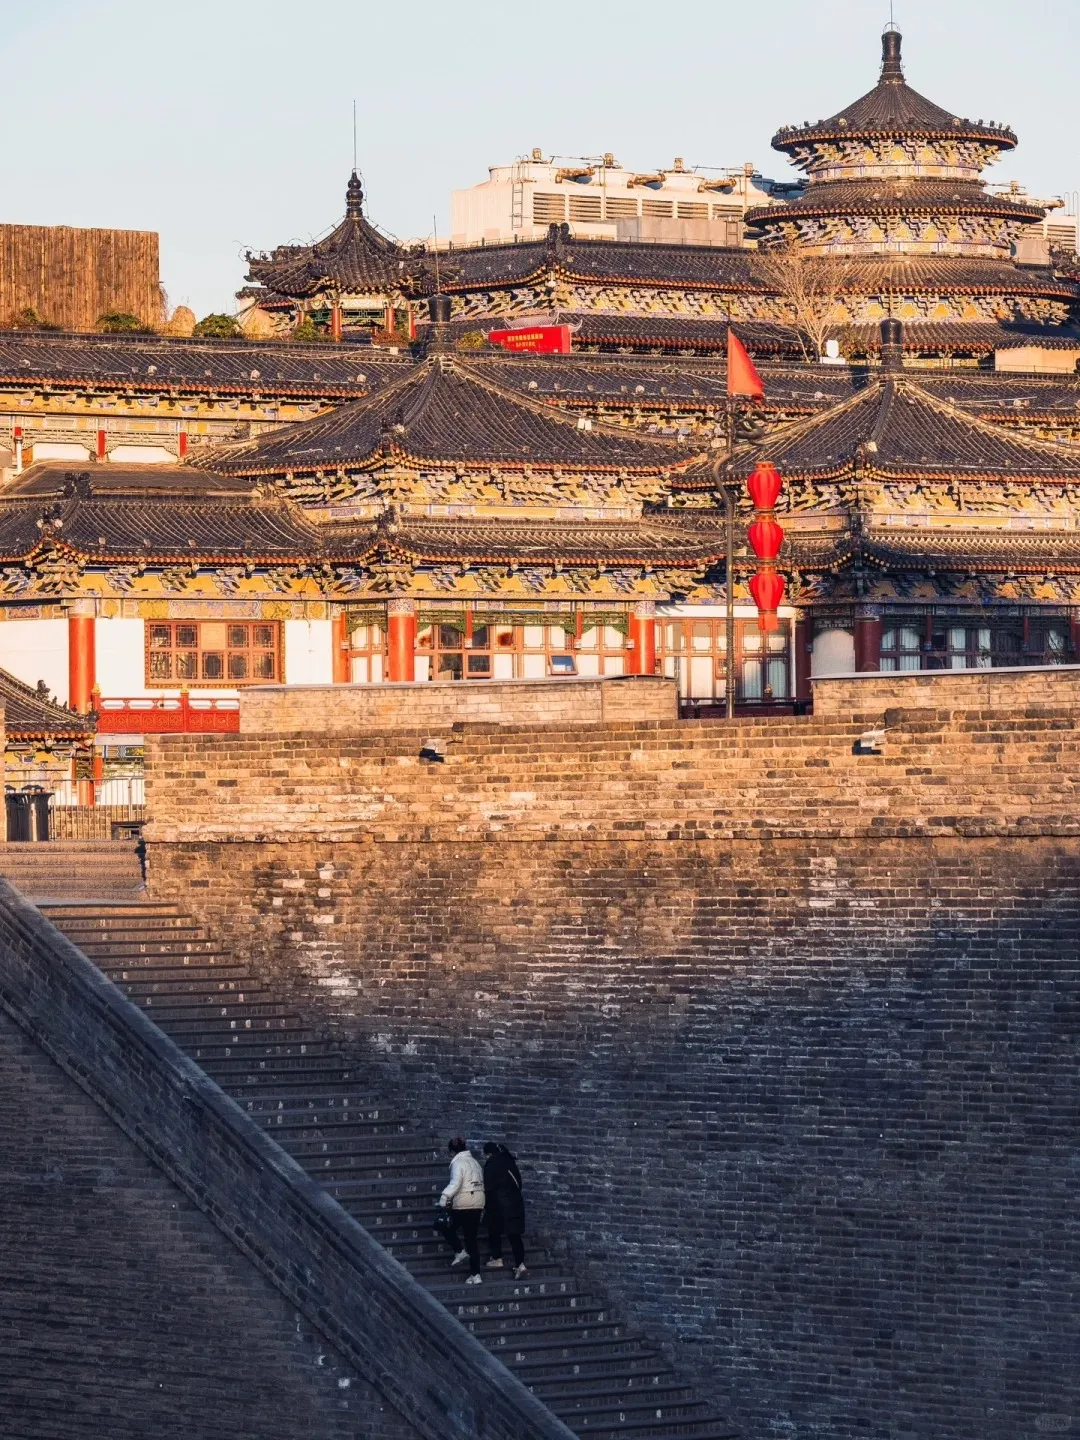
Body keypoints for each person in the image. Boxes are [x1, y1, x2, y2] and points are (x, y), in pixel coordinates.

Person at [439, 1137, 485, 1285]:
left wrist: (444, 1197)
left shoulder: (458, 1163)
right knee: (471, 1240)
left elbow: (455, 1183)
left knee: (443, 1226)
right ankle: (475, 1274)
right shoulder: (475, 1162)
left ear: (452, 1151)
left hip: (464, 1203)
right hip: (478, 1203)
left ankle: (459, 1251)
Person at [482, 1141, 527, 1278]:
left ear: (488, 1154)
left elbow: (488, 1187)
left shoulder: (491, 1164)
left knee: (493, 1230)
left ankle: (497, 1258)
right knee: (514, 1236)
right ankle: (520, 1264)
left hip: (498, 1205)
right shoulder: (509, 1162)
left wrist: (485, 1205)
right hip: (516, 1203)